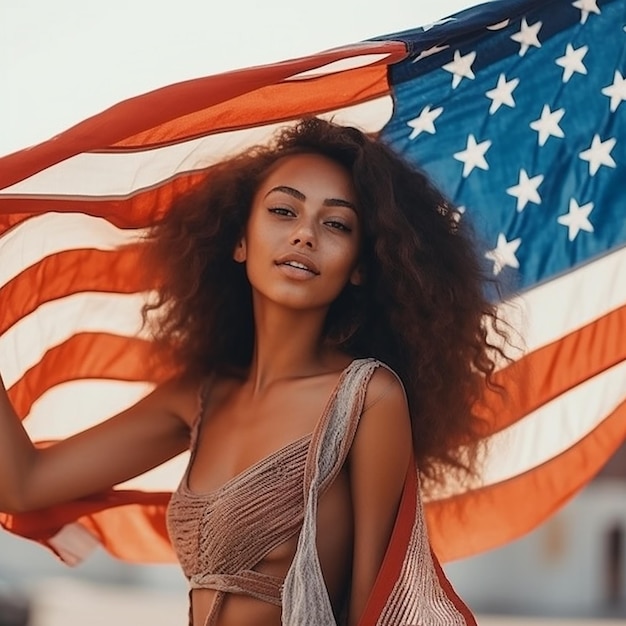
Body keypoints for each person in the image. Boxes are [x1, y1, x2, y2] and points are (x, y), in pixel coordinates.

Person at [0, 118, 505, 625]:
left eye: (336, 224)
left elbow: (377, 603)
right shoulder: (200, 394)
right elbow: (24, 484)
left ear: (359, 267)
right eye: (283, 211)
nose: (305, 235)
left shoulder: (367, 398)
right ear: (239, 241)